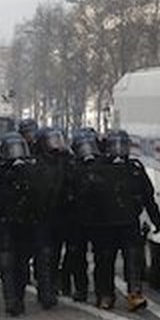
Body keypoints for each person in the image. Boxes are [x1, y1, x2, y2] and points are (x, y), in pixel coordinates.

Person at [100, 129, 160, 311]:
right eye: (114, 146)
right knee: (105, 260)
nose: (119, 150)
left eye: (122, 145)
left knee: (133, 259)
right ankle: (106, 294)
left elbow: (148, 196)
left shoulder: (134, 168)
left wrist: (156, 219)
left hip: (129, 221)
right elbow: (90, 197)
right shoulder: (100, 167)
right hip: (106, 223)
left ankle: (134, 293)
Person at [0, 132, 42, 315]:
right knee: (7, 262)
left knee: (22, 264)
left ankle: (20, 298)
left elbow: (39, 193)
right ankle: (11, 301)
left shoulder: (31, 169)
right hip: (3, 223)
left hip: (25, 223)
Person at [36, 127, 86, 302]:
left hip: (69, 213)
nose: (56, 144)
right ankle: (47, 289)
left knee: (74, 252)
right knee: (48, 254)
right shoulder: (38, 163)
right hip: (46, 214)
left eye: (58, 139)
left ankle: (73, 285)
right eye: (51, 140)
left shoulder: (68, 160)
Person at [69, 129, 114, 308]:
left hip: (99, 219)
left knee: (103, 259)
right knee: (78, 258)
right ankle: (82, 289)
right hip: (78, 219)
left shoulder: (104, 165)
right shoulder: (72, 166)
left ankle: (103, 293)